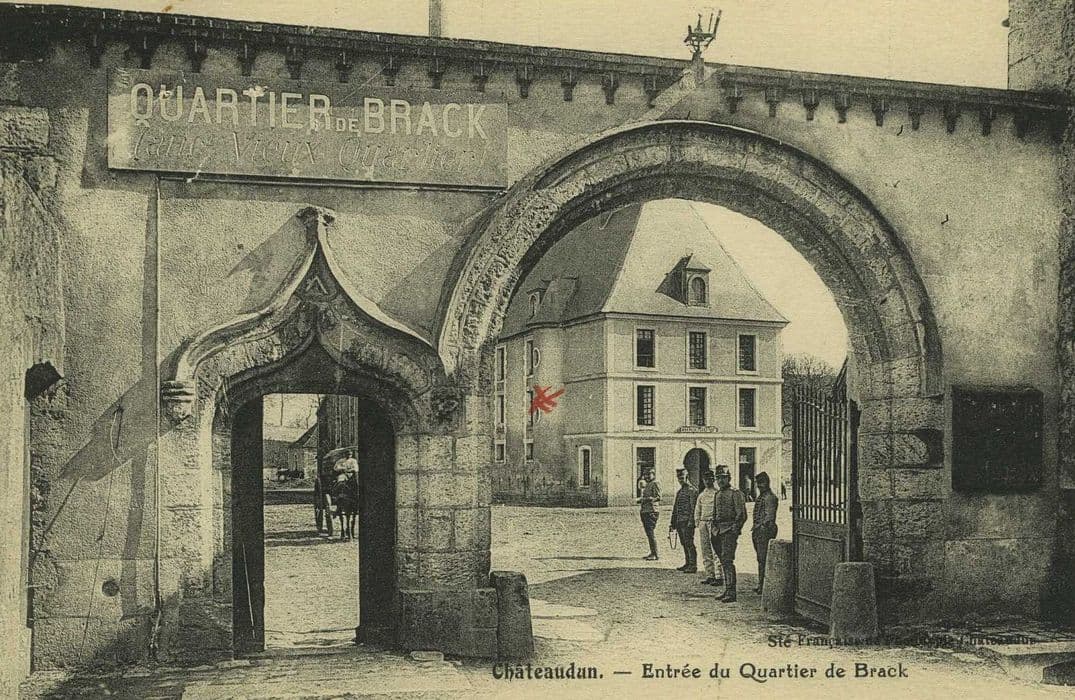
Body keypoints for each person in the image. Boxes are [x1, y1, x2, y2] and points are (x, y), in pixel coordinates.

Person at [711, 466, 747, 602]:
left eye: (723, 478)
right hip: (717, 532)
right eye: (718, 478)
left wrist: (734, 530)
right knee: (723, 561)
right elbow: (714, 514)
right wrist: (714, 529)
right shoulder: (717, 494)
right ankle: (727, 589)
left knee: (727, 560)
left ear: (729, 478)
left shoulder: (735, 493)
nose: (720, 480)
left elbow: (741, 515)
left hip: (729, 531)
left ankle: (732, 592)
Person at [752, 471, 779, 594]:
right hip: (758, 531)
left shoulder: (770, 497)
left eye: (761, 483)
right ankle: (761, 584)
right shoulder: (762, 496)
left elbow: (769, 517)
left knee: (763, 559)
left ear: (767, 483)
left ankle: (763, 586)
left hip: (764, 531)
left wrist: (762, 528)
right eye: (758, 483)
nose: (759, 485)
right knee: (760, 559)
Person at [694, 469, 721, 585]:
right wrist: (698, 522)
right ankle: (710, 575)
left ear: (713, 480)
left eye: (710, 479)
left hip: (713, 523)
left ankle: (719, 576)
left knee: (715, 550)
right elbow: (697, 509)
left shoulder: (717, 493)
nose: (707, 481)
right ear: (703, 480)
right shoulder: (702, 495)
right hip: (703, 523)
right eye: (705, 479)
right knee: (705, 550)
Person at [669, 467, 698, 573]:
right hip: (680, 521)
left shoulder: (692, 491)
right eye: (679, 478)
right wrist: (673, 522)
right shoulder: (680, 492)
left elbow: (693, 508)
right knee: (684, 543)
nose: (680, 480)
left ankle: (693, 565)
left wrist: (691, 521)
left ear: (687, 477)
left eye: (682, 478)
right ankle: (687, 563)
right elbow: (675, 508)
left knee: (689, 543)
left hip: (687, 521)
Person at [636, 468, 661, 560]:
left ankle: (655, 554)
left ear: (653, 474)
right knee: (649, 533)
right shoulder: (647, 484)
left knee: (650, 533)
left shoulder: (655, 483)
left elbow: (658, 497)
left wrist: (645, 499)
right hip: (645, 511)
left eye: (648, 474)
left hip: (651, 511)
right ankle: (652, 552)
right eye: (645, 475)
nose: (646, 476)